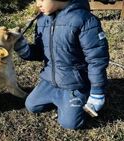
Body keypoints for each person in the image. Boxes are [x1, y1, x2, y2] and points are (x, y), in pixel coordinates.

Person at [14, 0, 109, 129]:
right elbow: (41, 52)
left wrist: (97, 92)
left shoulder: (84, 20)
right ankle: (60, 99)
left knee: (70, 124)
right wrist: (23, 49)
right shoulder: (42, 20)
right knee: (32, 105)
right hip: (50, 81)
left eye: (41, 0)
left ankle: (82, 95)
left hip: (75, 84)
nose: (38, 4)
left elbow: (97, 60)